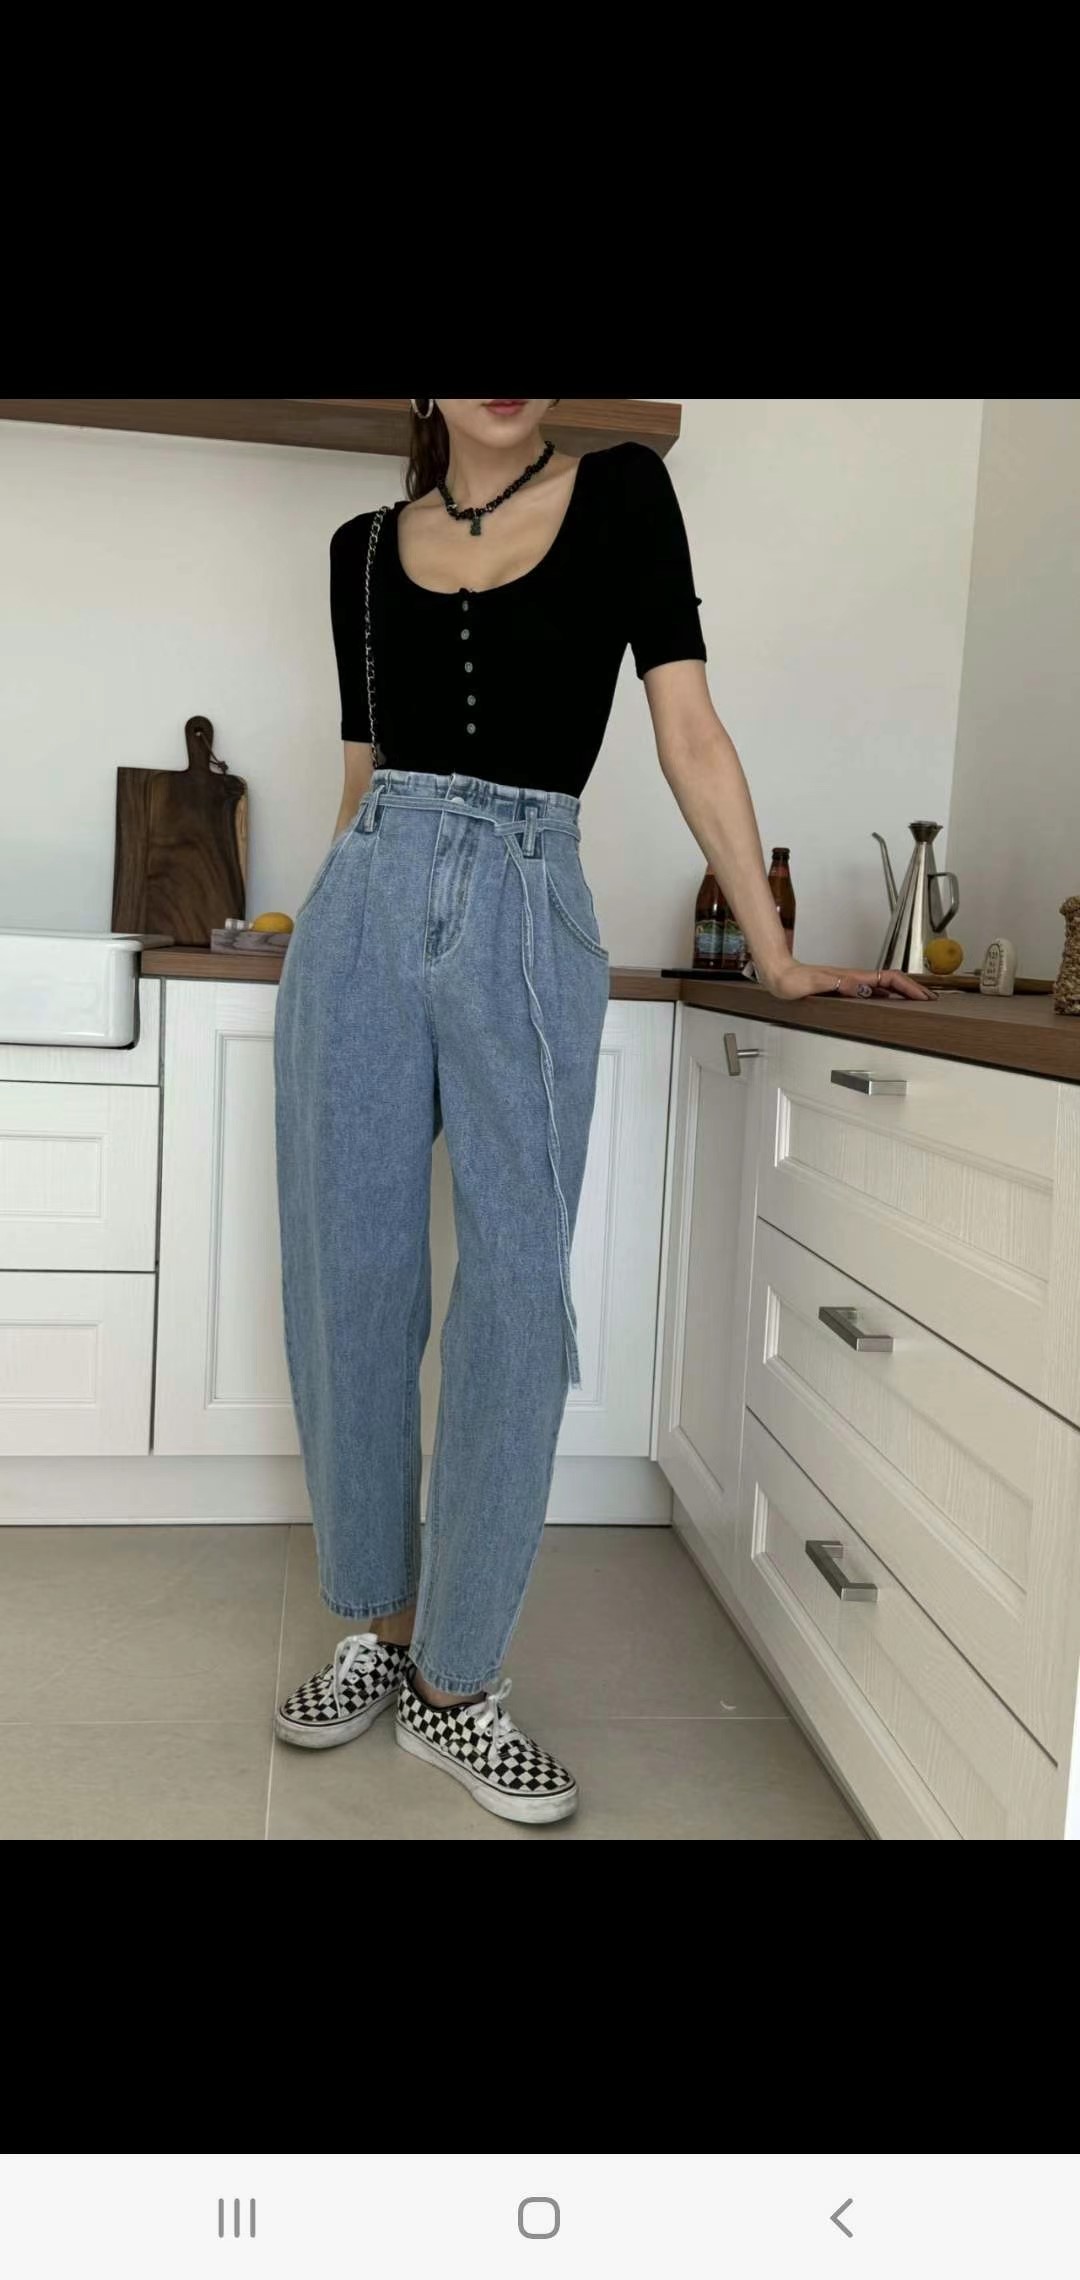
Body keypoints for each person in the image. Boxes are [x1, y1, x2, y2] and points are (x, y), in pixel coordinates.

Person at [272, 396, 934, 1827]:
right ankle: (378, 1626)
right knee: (349, 1282)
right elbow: (361, 781)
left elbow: (687, 729)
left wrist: (773, 952)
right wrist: (322, 930)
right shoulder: (357, 552)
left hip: (527, 905)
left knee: (516, 1296)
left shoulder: (625, 492)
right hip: (365, 909)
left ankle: (455, 1683)